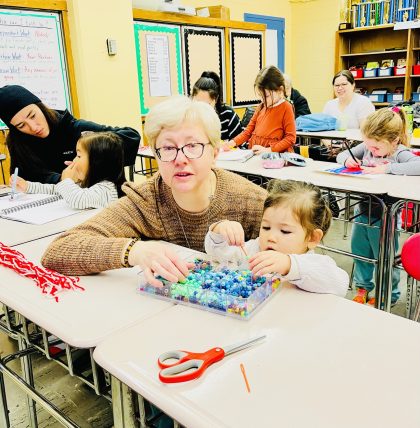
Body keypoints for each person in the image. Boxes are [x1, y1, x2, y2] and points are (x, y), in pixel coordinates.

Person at [41, 96, 267, 285]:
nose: (180, 159)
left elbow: (291, 253)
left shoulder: (248, 199)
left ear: (215, 153)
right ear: (156, 155)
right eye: (168, 148)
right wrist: (135, 251)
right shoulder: (146, 200)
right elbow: (59, 250)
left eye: (192, 146)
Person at [205, 179, 348, 297]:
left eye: (285, 231)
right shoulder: (254, 249)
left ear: (312, 238)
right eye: (266, 227)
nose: (271, 237)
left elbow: (341, 284)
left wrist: (289, 265)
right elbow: (218, 254)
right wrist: (219, 230)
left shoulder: (314, 263)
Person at [337, 107, 420, 306]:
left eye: (375, 148)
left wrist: (387, 168)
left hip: (386, 217)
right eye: (368, 146)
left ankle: (389, 293)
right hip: (362, 211)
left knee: (385, 257)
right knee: (360, 252)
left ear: (394, 141)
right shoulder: (368, 145)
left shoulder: (399, 153)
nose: (371, 151)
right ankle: (362, 287)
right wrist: (347, 159)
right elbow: (341, 155)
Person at [0, 85, 141, 184]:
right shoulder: (18, 142)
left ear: (40, 107)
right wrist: (61, 178)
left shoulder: (73, 128)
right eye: (21, 125)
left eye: (32, 115)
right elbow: (25, 177)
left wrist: (89, 160)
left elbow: (131, 137)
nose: (33, 127)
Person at [15, 131, 125, 209]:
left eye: (79, 156)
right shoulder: (85, 184)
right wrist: (28, 186)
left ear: (97, 163)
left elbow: (78, 200)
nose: (74, 160)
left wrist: (67, 180)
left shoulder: (106, 189)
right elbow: (57, 190)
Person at [228, 65, 296, 155]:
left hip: (275, 158)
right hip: (257, 156)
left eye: (267, 96)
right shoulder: (261, 107)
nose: (263, 100)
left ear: (280, 90)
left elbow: (290, 138)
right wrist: (231, 143)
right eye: (261, 96)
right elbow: (247, 132)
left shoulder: (286, 107)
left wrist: (269, 150)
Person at [191, 71, 243, 141]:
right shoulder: (187, 118)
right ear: (192, 98)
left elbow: (241, 144)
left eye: (207, 105)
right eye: (198, 103)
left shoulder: (228, 115)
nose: (202, 109)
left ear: (215, 100)